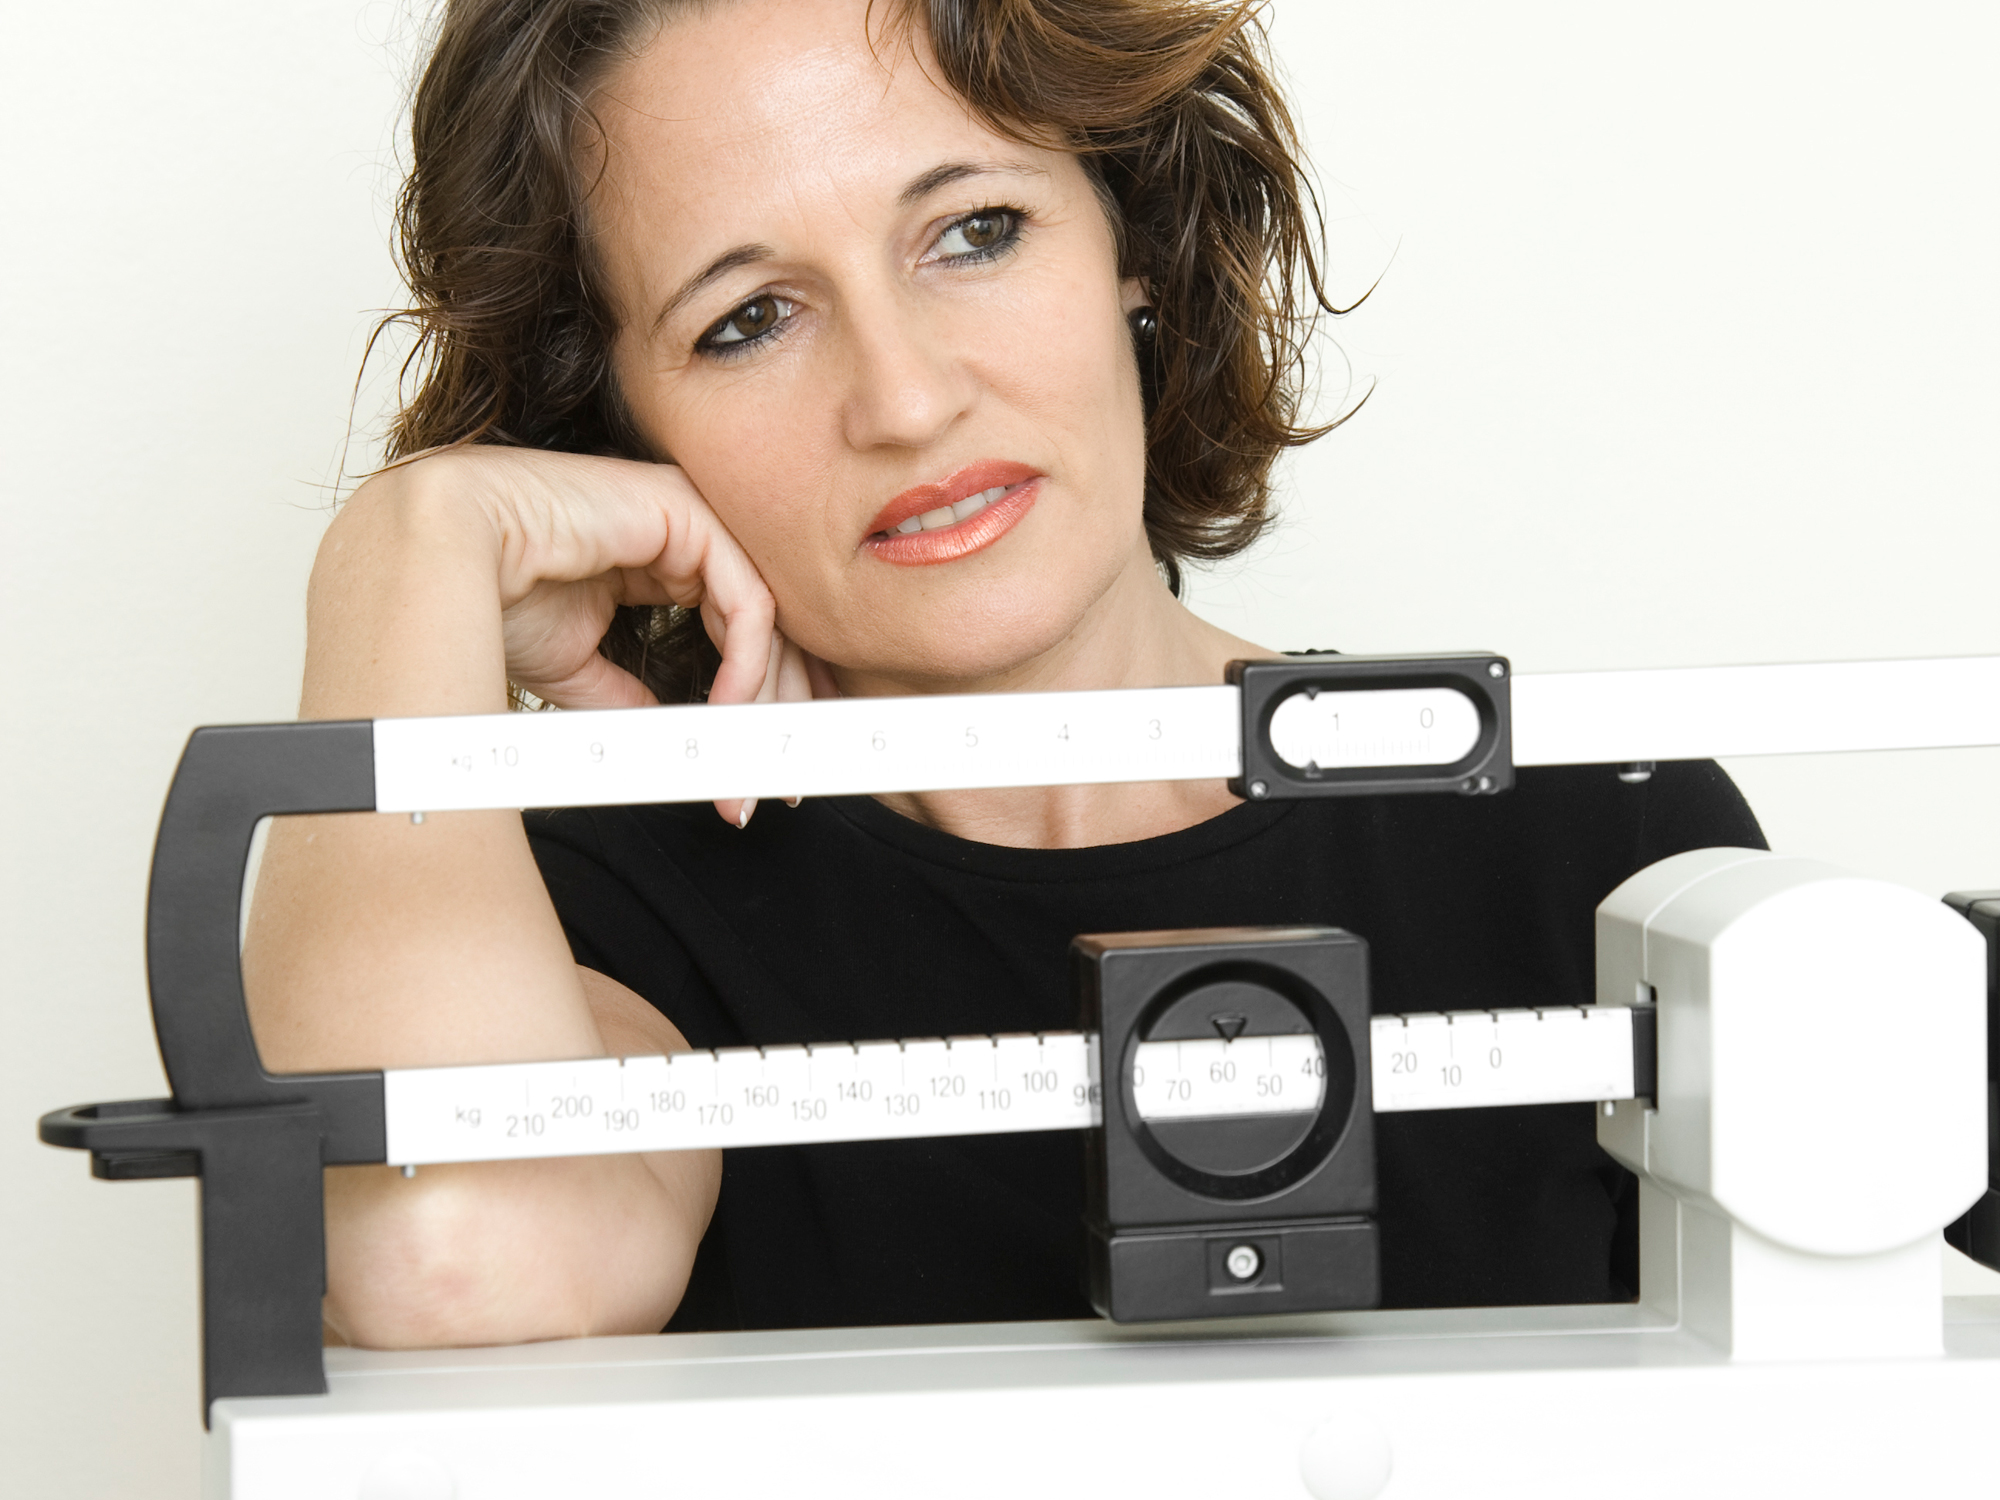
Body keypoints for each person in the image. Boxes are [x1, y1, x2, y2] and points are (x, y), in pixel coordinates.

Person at [243, 0, 1762, 1348]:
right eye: (748, 320)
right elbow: (453, 1263)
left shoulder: (1598, 837)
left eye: (974, 232)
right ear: (621, 432)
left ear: (1131, 246)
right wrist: (411, 542)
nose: (906, 401)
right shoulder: (580, 930)